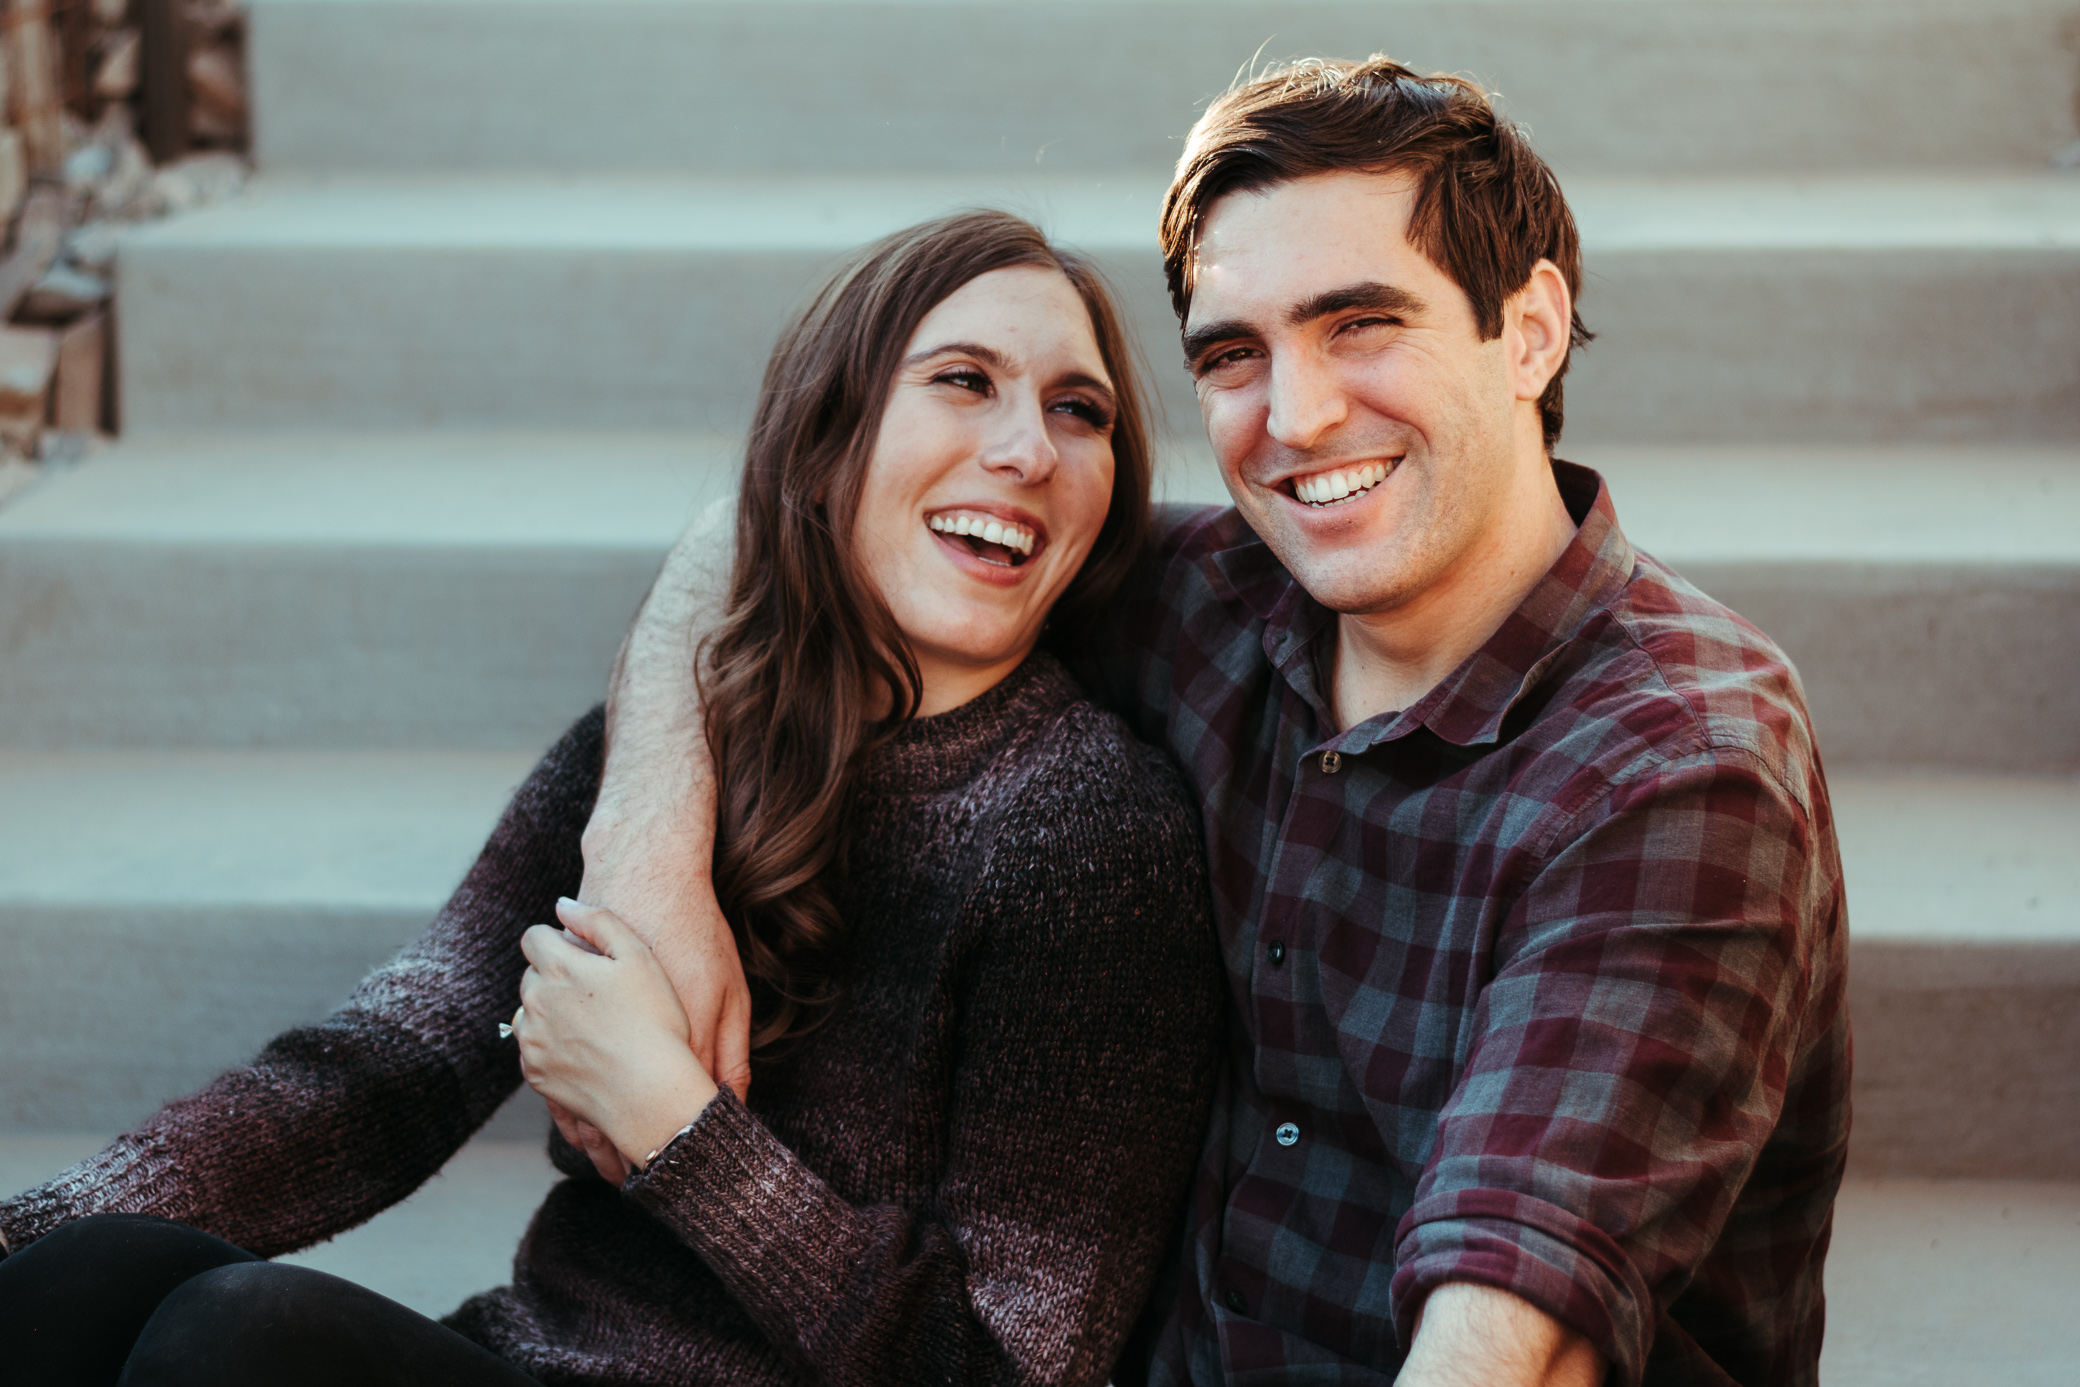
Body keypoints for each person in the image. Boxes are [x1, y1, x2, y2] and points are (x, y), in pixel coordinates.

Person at [581, 59, 1852, 1387]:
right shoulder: (1216, 602)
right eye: (1234, 354)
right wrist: (647, 845)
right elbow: (774, 527)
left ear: (1529, 327)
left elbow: (1514, 1330)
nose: (1295, 420)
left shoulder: (1678, 757)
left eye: (1361, 323)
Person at [0, 210, 1226, 1387]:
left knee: (235, 1338)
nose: (1027, 450)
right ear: (827, 436)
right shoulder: (680, 746)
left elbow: (1011, 1366)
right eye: (965, 380)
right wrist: (33, 1227)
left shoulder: (1088, 838)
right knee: (93, 1269)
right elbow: (391, 1064)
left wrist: (669, 1119)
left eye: (1081, 411)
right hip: (532, 1354)